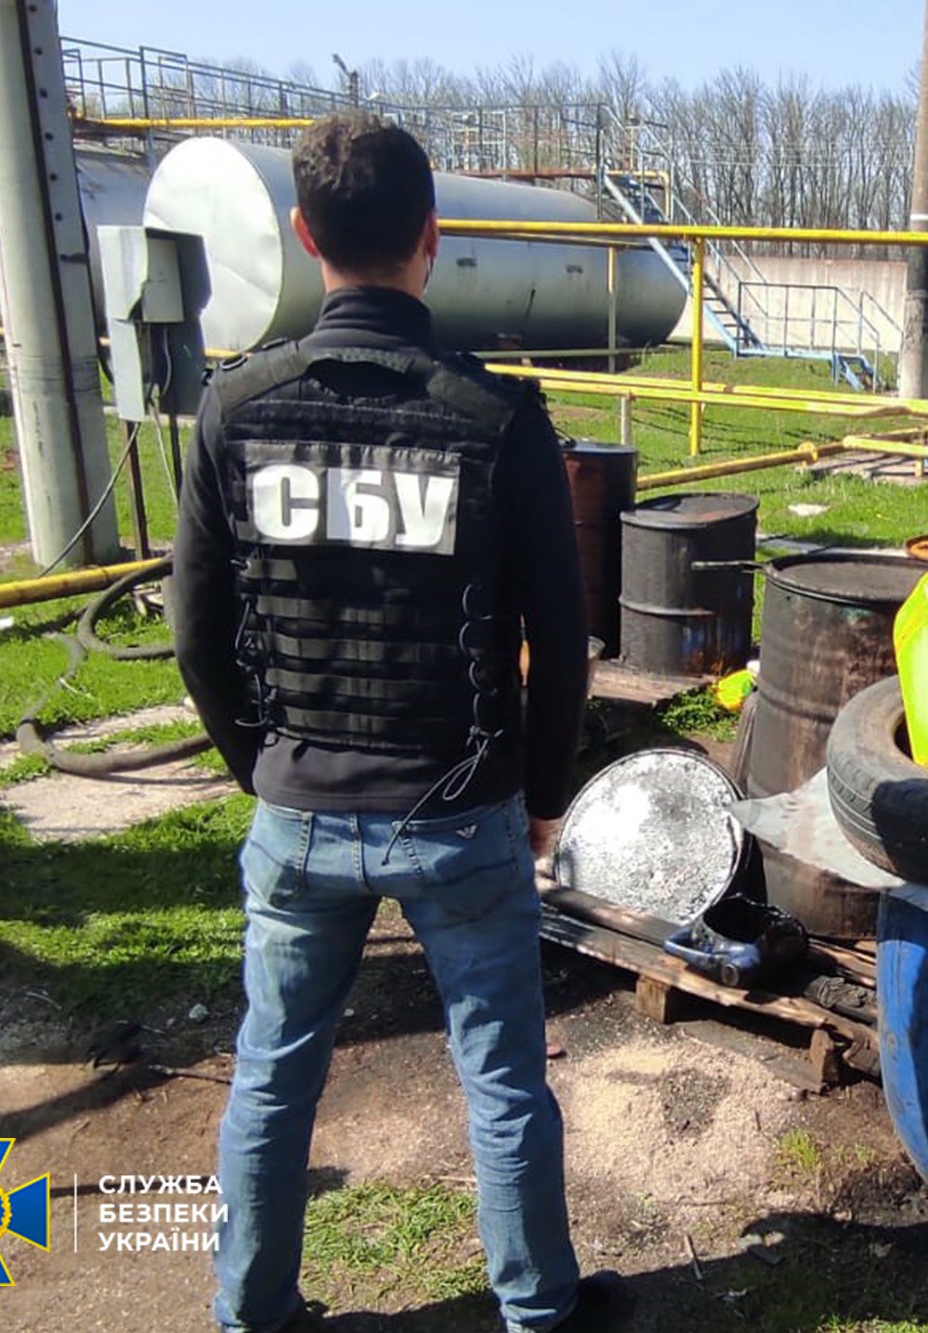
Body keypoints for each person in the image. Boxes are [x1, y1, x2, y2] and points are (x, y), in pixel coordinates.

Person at [172, 112, 616, 1332]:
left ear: (302, 233)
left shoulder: (234, 410)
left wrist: (263, 769)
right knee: (502, 1080)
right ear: (431, 236)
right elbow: (561, 641)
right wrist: (541, 797)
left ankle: (249, 1310)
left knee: (270, 1075)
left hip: (298, 808)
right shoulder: (499, 421)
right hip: (461, 814)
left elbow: (196, 635)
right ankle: (537, 1310)